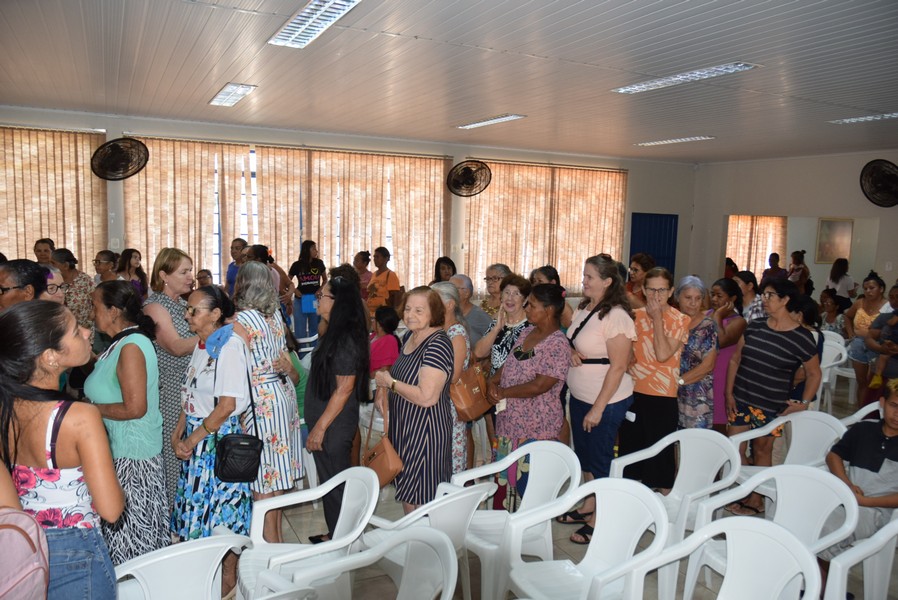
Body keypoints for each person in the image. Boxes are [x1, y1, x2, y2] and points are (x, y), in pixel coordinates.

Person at [1, 301, 124, 599]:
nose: (86, 331)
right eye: (74, 331)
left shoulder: (5, 408)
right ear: (50, 357)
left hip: (24, 549)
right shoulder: (79, 417)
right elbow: (111, 509)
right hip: (76, 554)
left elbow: (9, 509)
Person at [170, 286, 252, 598]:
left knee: (222, 521)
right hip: (197, 439)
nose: (187, 315)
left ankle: (227, 586)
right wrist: (178, 431)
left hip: (216, 445)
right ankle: (204, 583)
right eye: (187, 309)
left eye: (194, 310)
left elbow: (226, 405)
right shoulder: (204, 344)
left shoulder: (229, 346)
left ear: (215, 314)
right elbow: (191, 390)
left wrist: (191, 438)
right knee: (200, 521)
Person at [84, 281, 167, 564]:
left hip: (132, 459)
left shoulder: (132, 345)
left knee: (132, 544)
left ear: (114, 311)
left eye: (95, 305)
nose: (91, 312)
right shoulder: (121, 342)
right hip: (121, 453)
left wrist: (89, 411)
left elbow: (134, 408)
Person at [726, 278, 821, 515]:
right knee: (734, 448)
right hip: (741, 398)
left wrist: (803, 403)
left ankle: (757, 498)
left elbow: (814, 373)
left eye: (770, 295)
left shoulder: (801, 337)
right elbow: (735, 359)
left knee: (762, 451)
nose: (764, 300)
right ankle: (744, 489)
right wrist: (728, 392)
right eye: (763, 295)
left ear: (786, 299)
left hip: (771, 405)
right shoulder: (756, 325)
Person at [558, 254, 636, 545]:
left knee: (600, 460)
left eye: (589, 277)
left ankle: (601, 518)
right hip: (581, 396)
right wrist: (570, 351)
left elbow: (618, 366)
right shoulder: (586, 307)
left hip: (606, 400)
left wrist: (599, 408)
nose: (584, 281)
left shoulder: (616, 316)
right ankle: (589, 504)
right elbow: (573, 339)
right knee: (586, 458)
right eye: (584, 275)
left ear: (607, 281)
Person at [233, 261, 302, 543]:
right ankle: (276, 540)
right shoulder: (274, 317)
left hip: (260, 401)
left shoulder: (242, 322)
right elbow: (287, 362)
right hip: (281, 394)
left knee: (262, 479)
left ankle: (268, 546)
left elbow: (237, 369)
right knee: (275, 477)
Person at [487, 284, 570, 511]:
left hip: (536, 429)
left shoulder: (558, 343)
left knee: (530, 489)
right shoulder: (526, 332)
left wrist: (504, 392)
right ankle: (504, 534)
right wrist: (494, 381)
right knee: (506, 486)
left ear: (549, 310)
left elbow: (540, 385)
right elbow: (510, 363)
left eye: (532, 305)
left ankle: (527, 536)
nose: (526, 307)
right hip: (510, 425)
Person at [373, 286, 454, 513]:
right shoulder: (409, 336)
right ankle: (416, 543)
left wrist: (390, 384)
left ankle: (423, 545)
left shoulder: (437, 345)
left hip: (425, 433)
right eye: (408, 309)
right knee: (409, 493)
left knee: (420, 499)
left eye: (419, 310)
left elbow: (427, 397)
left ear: (434, 313)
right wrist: (383, 389)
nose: (410, 315)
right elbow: (399, 376)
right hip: (406, 428)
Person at [304, 276, 369, 543]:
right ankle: (337, 533)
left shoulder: (345, 339)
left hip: (333, 425)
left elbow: (344, 389)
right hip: (327, 422)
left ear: (338, 302)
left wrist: (320, 428)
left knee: (336, 484)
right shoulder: (334, 331)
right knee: (331, 482)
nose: (317, 300)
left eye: (323, 296)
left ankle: (344, 540)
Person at [620, 266, 689, 492]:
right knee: (631, 457)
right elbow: (625, 352)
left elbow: (662, 354)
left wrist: (658, 319)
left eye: (661, 290)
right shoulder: (634, 317)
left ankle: (663, 512)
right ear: (643, 290)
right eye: (651, 290)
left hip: (662, 396)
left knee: (660, 461)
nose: (655, 296)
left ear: (671, 292)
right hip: (632, 393)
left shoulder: (680, 320)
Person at [819, 382, 898, 568]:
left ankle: (826, 590)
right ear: (882, 403)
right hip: (845, 498)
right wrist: (847, 484)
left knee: (828, 532)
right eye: (894, 406)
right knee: (795, 514)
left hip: (878, 512)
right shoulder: (864, 429)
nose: (897, 414)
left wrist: (866, 502)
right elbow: (834, 455)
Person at [143, 247, 198, 505]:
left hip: (192, 387)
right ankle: (172, 522)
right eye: (184, 272)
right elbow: (175, 347)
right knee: (174, 452)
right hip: (171, 390)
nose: (191, 277)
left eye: (191, 271)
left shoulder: (184, 304)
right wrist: (211, 336)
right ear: (164, 274)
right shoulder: (155, 306)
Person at [432, 281, 471, 474]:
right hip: (436, 401)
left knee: (449, 460)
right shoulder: (439, 331)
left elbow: (454, 376)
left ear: (449, 304)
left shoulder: (456, 334)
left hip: (448, 406)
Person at [675, 276, 718, 429]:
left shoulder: (707, 326)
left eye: (698, 298)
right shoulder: (672, 321)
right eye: (688, 298)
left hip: (696, 395)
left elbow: (708, 365)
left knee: (693, 445)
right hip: (669, 392)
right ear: (677, 296)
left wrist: (678, 382)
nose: (693, 303)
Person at [707, 278, 746, 432]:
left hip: (722, 375)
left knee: (718, 423)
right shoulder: (706, 314)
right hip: (705, 373)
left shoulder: (739, 322)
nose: (714, 299)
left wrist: (718, 316)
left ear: (732, 299)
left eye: (719, 296)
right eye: (712, 295)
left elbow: (720, 341)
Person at [474, 274, 532, 377]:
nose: (510, 298)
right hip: (494, 387)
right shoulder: (497, 323)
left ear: (525, 300)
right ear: (501, 296)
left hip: (520, 386)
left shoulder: (531, 326)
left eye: (516, 294)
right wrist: (496, 329)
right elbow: (479, 353)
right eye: (507, 292)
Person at [845, 271, 889, 405]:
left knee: (874, 382)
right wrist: (850, 332)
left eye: (872, 288)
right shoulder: (859, 303)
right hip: (858, 344)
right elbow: (848, 316)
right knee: (861, 381)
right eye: (865, 289)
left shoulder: (888, 306)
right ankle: (861, 411)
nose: (868, 291)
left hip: (877, 347)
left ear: (881, 289)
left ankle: (872, 413)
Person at [289, 240, 328, 342]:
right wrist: (295, 290)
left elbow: (325, 280)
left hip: (314, 299)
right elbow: (287, 281)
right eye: (314, 249)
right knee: (300, 330)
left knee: (314, 329)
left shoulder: (319, 263)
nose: (316, 251)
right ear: (307, 250)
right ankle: (301, 355)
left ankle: (314, 353)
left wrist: (320, 289)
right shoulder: (297, 265)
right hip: (300, 299)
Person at [50, 248, 94, 331]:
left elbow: (96, 303)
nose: (50, 266)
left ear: (65, 265)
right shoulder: (51, 278)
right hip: (60, 330)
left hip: (84, 330)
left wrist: (88, 323)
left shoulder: (85, 280)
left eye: (53, 263)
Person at [867, 283, 898, 391]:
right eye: (891, 297)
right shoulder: (885, 317)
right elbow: (869, 338)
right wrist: (881, 348)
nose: (894, 301)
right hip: (884, 372)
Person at [450, 274, 492, 345]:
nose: (448, 292)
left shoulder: (481, 317)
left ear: (466, 293)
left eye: (453, 288)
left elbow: (493, 345)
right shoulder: (446, 313)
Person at [367, 246, 401, 311]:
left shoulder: (391, 274)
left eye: (377, 257)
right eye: (374, 257)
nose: (375, 259)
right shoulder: (374, 274)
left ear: (386, 258)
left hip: (383, 311)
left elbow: (394, 296)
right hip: (371, 311)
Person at [370, 306, 401, 373]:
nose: (372, 321)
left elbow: (385, 370)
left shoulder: (389, 340)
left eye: (374, 319)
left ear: (380, 324)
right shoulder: (374, 335)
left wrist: (367, 376)